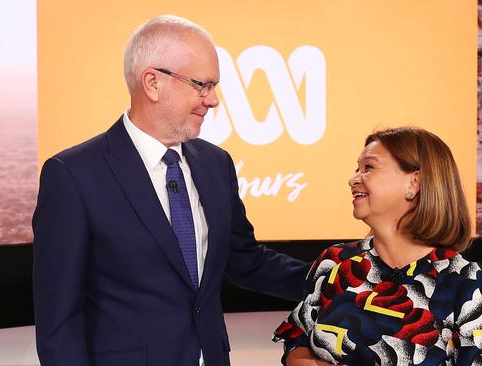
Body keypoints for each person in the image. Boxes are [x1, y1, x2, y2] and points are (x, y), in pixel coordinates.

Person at [32, 15, 309, 366]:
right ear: (152, 82)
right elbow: (58, 321)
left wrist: (344, 278)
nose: (213, 100)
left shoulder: (215, 164)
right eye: (202, 85)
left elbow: (245, 261)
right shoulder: (72, 175)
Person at [273, 127, 482, 365]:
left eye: (369, 168)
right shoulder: (335, 261)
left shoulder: (464, 282)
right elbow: (297, 339)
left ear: (414, 183)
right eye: (357, 169)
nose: (353, 179)